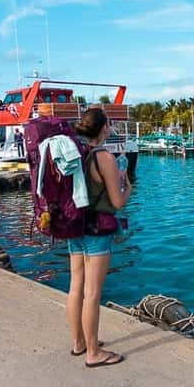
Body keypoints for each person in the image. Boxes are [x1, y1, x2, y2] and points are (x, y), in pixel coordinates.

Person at [67, 108, 132, 368]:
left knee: (76, 288)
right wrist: (128, 187)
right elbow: (117, 202)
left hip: (76, 227)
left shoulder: (79, 154)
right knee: (92, 293)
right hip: (97, 233)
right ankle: (94, 354)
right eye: (110, 124)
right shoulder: (104, 157)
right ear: (104, 128)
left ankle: (79, 343)